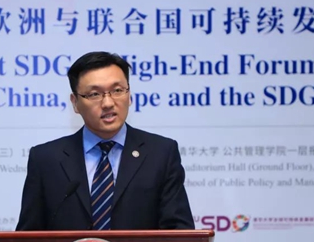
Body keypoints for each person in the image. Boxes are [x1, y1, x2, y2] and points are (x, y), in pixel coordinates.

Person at [15, 51, 195, 230]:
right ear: (75, 103)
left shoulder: (161, 153)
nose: (108, 103)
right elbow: (27, 238)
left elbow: (180, 234)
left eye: (117, 91)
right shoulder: (46, 160)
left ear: (129, 95)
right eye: (94, 94)